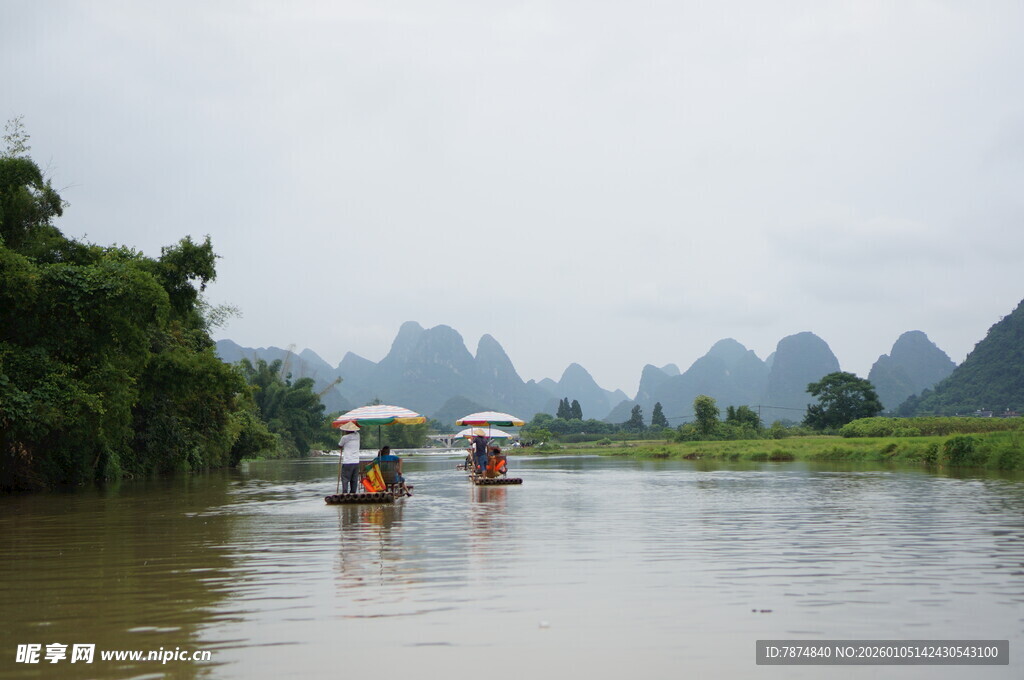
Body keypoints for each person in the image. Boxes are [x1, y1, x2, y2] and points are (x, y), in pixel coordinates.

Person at [337, 422, 361, 493]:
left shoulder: (344, 437)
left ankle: (345, 493)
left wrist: (343, 435)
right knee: (354, 479)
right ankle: (353, 493)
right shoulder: (358, 435)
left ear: (347, 430)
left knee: (345, 479)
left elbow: (339, 445)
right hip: (356, 462)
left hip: (347, 462)